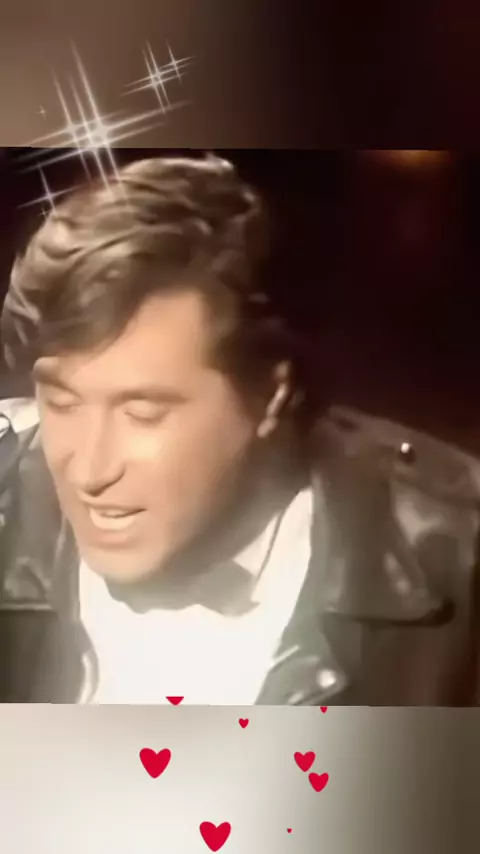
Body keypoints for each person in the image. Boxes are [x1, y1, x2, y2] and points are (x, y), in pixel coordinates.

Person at [0, 153, 479, 705]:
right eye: (61, 402)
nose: (88, 470)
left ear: (271, 395)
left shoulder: (460, 570)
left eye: (143, 412)